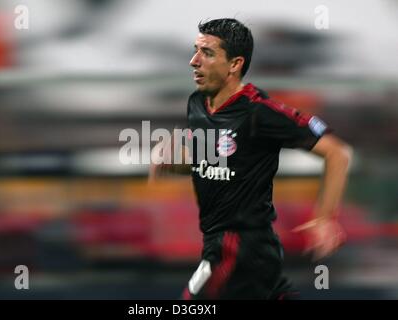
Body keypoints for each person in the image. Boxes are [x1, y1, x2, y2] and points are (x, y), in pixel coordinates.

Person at [149, 18, 352, 299]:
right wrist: (175, 163)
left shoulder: (260, 113)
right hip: (239, 249)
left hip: (239, 247)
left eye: (207, 53)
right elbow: (214, 160)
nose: (194, 61)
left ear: (235, 64)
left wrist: (324, 219)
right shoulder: (197, 103)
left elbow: (337, 152)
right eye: (195, 50)